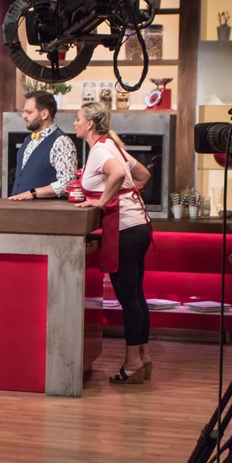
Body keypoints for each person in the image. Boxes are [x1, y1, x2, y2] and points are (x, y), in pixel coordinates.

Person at [73, 101, 154, 384]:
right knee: (136, 295)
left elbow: (118, 174)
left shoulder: (99, 150)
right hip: (139, 225)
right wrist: (127, 195)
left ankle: (132, 363)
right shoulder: (112, 145)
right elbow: (143, 175)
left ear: (89, 124)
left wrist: (102, 201)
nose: (75, 123)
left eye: (78, 118)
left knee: (128, 297)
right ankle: (143, 357)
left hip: (126, 229)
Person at [7, 90, 77, 200]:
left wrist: (33, 193)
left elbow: (67, 182)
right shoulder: (28, 139)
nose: (24, 116)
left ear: (44, 114)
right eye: (24, 111)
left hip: (44, 209)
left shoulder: (62, 142)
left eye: (29, 112)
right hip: (19, 208)